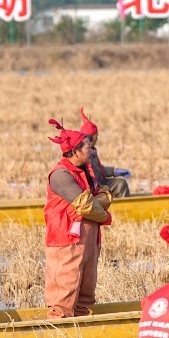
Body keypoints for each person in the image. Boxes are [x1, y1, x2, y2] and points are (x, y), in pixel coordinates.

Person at [44, 119, 112, 318]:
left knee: (85, 293)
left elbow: (105, 195)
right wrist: (105, 216)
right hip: (67, 240)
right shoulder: (60, 175)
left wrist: (98, 204)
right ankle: (58, 337)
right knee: (64, 293)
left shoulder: (86, 170)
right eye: (87, 147)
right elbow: (86, 205)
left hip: (88, 239)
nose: (91, 150)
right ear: (74, 151)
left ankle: (80, 332)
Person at [78, 107, 132, 197]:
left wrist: (114, 171)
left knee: (120, 183)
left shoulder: (93, 151)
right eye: (96, 136)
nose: (97, 138)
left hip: (101, 181)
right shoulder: (84, 154)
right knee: (120, 185)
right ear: (90, 137)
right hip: (94, 186)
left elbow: (99, 170)